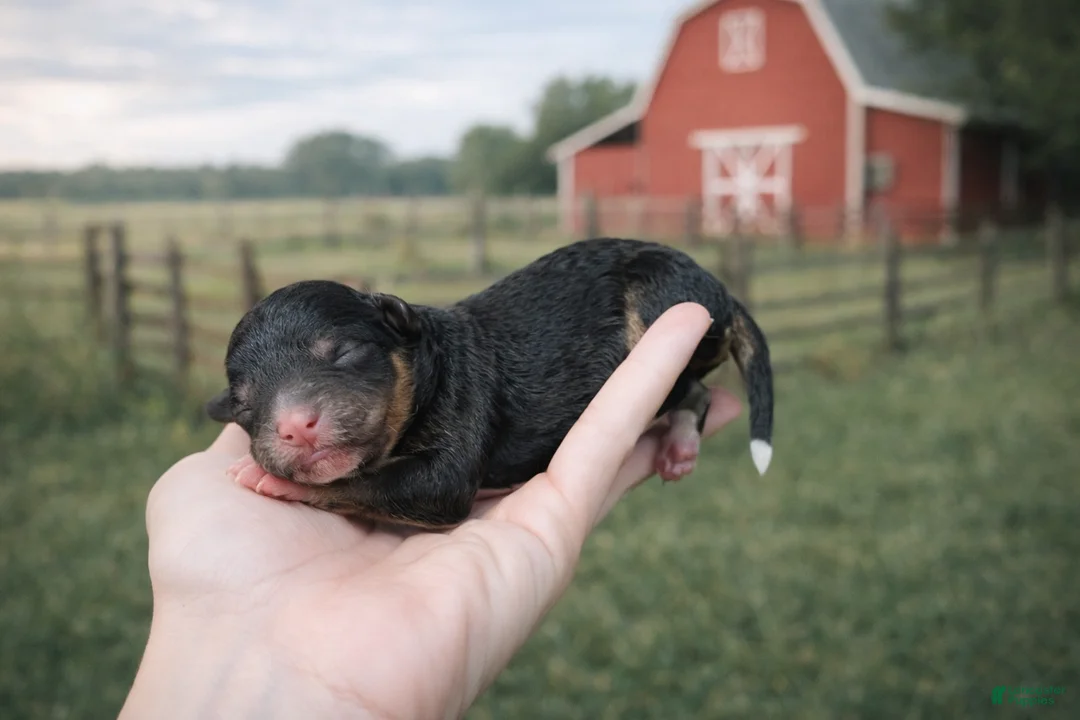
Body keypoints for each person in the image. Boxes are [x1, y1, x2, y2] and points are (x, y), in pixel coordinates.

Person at [118, 303, 744, 719]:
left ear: (400, 333)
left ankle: (683, 404)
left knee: (662, 351)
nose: (294, 423)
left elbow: (443, 493)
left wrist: (320, 492)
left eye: (338, 358)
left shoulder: (447, 381)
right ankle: (683, 407)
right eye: (258, 408)